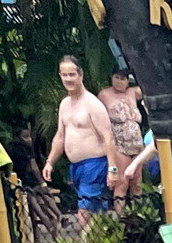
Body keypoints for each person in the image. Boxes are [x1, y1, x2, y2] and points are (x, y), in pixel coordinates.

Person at [44, 56, 120, 227]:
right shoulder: (64, 104)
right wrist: (50, 162)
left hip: (94, 165)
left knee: (84, 214)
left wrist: (112, 168)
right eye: (65, 75)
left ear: (80, 75)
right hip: (76, 168)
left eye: (72, 74)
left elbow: (108, 137)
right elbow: (60, 136)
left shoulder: (92, 104)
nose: (68, 79)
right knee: (96, 215)